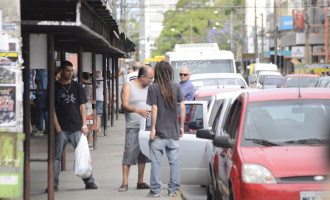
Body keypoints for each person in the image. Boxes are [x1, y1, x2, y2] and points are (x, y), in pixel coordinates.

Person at [45, 60, 97, 192]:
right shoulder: (54, 87)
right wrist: (57, 127)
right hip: (61, 127)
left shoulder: (77, 86)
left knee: (83, 154)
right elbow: (52, 109)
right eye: (68, 70)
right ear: (61, 71)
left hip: (76, 126)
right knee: (56, 157)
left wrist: (84, 124)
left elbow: (82, 106)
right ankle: (53, 184)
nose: (70, 73)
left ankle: (89, 181)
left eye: (72, 70)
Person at [146, 61, 185, 197]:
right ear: (170, 72)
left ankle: (156, 190)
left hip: (159, 133)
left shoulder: (153, 88)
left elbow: (154, 108)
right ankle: (173, 190)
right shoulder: (176, 87)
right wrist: (181, 126)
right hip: (173, 132)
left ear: (157, 73)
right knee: (174, 163)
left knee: (156, 163)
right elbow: (183, 107)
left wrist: (153, 129)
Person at [118, 65, 154, 192]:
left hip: (147, 127)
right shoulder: (129, 86)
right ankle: (125, 182)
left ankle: (140, 181)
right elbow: (125, 105)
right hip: (133, 126)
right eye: (150, 78)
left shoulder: (150, 88)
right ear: (142, 76)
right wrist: (137, 110)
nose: (151, 80)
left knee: (143, 156)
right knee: (129, 153)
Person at [95, 70, 109, 136]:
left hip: (100, 99)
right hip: (93, 100)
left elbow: (106, 90)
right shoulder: (90, 78)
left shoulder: (103, 79)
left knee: (98, 113)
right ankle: (98, 128)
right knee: (94, 114)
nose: (96, 72)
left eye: (97, 71)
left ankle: (97, 128)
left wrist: (107, 99)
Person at [36, 69, 49, 135]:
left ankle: (40, 129)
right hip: (47, 93)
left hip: (40, 92)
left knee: (40, 112)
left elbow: (36, 81)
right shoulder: (49, 72)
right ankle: (47, 129)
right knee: (46, 111)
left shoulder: (39, 72)